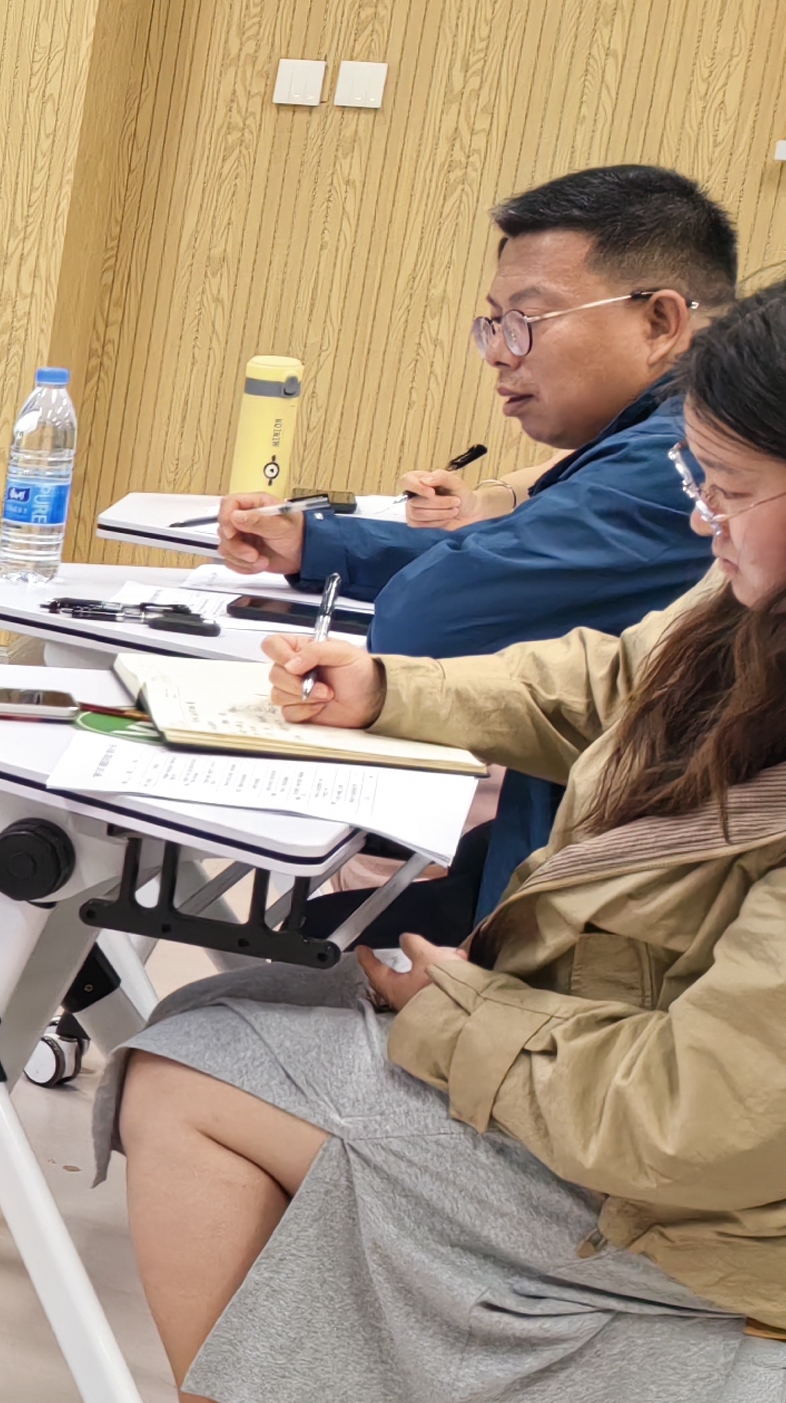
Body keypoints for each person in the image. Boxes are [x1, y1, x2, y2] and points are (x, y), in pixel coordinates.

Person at [108, 256, 786, 1403]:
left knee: (184, 1068)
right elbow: (617, 681)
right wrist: (391, 690)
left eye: (729, 487)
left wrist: (456, 1017)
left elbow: (701, 1127)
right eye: (697, 476)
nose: (700, 518)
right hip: (631, 1089)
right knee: (238, 1016)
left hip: (696, 1223)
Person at [211, 163, 738, 937]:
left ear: (660, 322)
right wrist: (319, 542)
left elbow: (432, 618)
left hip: (586, 916)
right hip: (567, 855)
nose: (498, 352)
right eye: (492, 324)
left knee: (287, 941)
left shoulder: (676, 462)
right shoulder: (664, 435)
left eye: (527, 320)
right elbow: (512, 558)